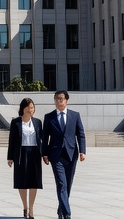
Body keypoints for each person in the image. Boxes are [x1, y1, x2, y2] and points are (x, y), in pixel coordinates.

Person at [40, 90, 85, 219]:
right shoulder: (49, 117)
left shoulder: (75, 116)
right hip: (56, 155)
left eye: (61, 98)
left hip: (71, 154)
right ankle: (67, 214)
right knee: (61, 184)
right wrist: (44, 153)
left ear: (66, 100)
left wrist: (83, 151)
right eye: (57, 99)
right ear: (54, 101)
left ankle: (61, 209)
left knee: (68, 184)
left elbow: (80, 134)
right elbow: (45, 137)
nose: (59, 101)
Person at [6, 97, 44, 219]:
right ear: (23, 108)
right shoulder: (16, 122)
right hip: (21, 153)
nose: (31, 110)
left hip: (34, 153)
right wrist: (10, 157)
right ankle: (25, 207)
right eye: (28, 107)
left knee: (34, 182)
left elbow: (41, 140)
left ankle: (31, 209)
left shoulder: (38, 122)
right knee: (22, 182)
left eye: (32, 107)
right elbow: (11, 140)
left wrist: (44, 154)